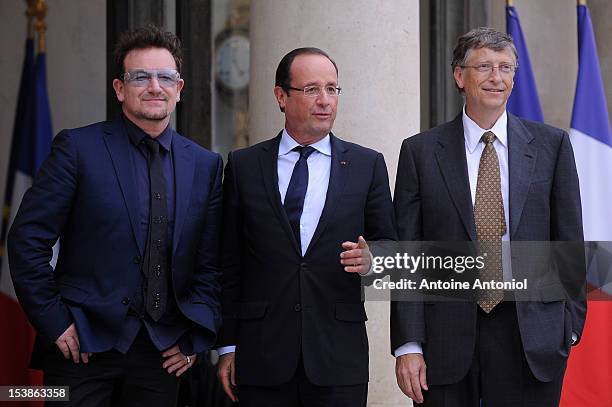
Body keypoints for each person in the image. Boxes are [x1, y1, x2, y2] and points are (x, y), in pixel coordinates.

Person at [8, 25, 222, 406]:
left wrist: (194, 339)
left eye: (165, 77)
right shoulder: (78, 148)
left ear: (179, 89)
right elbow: (27, 240)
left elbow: (211, 263)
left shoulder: (206, 165)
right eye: (140, 76)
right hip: (79, 349)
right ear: (120, 88)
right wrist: (55, 322)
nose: (154, 86)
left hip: (163, 356)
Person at [391, 27, 586, 406]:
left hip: (532, 337)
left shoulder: (552, 146)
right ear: (459, 76)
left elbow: (569, 243)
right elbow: (407, 253)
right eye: (484, 66)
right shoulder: (419, 152)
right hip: (444, 338)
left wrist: (569, 326)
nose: (497, 78)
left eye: (506, 68)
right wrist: (408, 344)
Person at [216, 47, 397, 406]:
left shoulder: (366, 164)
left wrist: (372, 259)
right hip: (261, 356)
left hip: (337, 357)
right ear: (281, 96)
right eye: (312, 89)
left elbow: (389, 247)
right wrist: (228, 345)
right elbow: (228, 263)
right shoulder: (244, 166)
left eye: (332, 89)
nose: (325, 100)